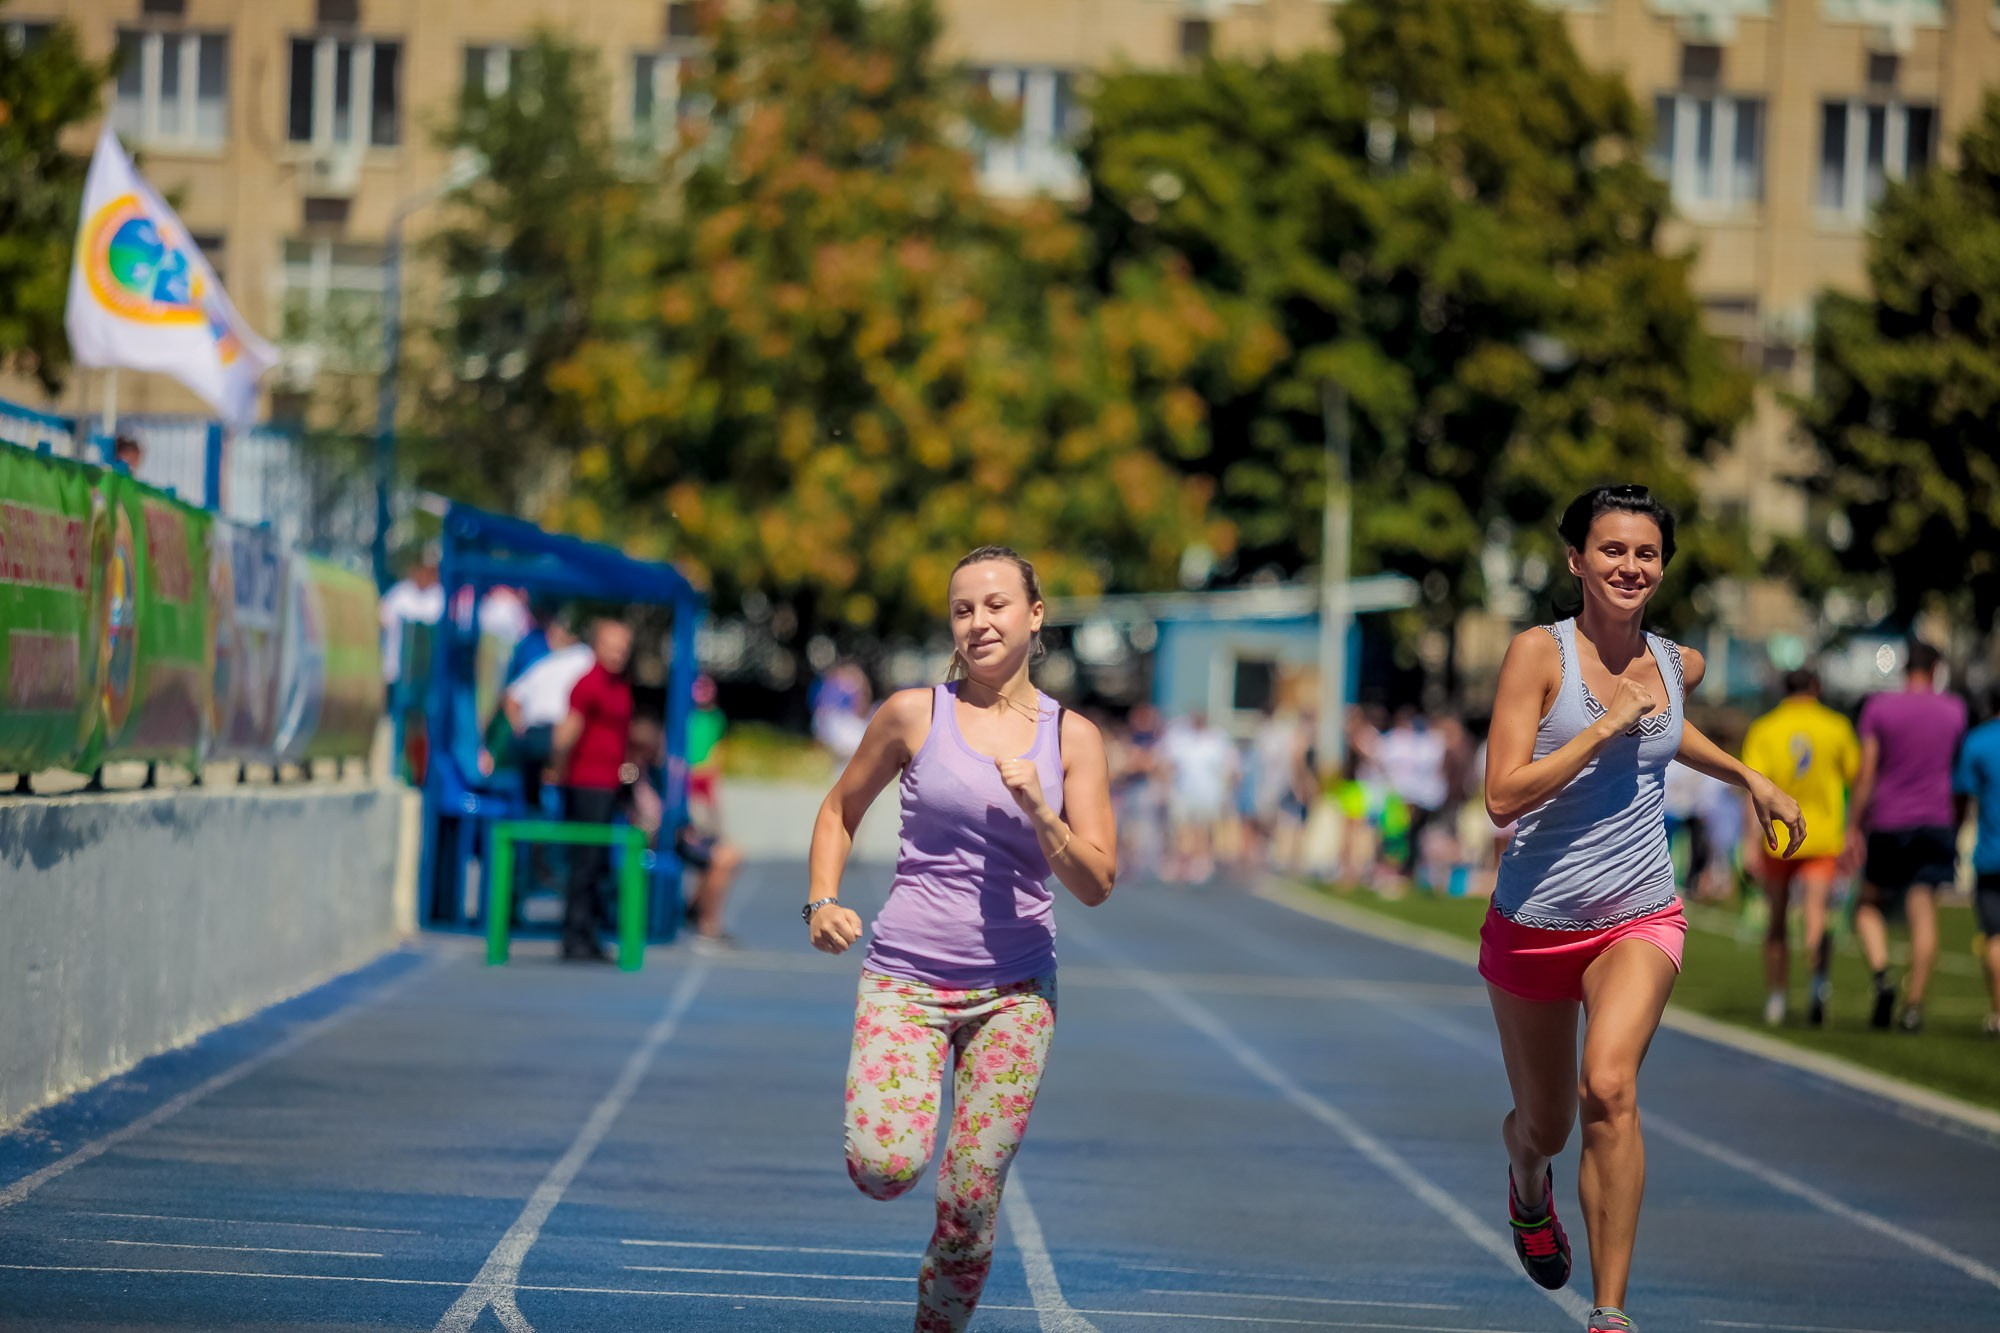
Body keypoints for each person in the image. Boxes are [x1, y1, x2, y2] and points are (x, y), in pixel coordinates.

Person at [1481, 484, 1803, 1333]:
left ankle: (1610, 1310)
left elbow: (1667, 728)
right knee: (1547, 1124)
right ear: (1576, 560)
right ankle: (1526, 1179)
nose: (1631, 566)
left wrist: (1752, 777)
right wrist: (1599, 726)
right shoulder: (1537, 655)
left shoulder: (1677, 664)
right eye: (1613, 549)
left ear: (1663, 565)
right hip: (1535, 922)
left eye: (1647, 553)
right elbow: (1501, 796)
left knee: (1610, 1084)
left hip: (1639, 913)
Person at [804, 545, 1115, 1333]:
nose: (979, 621)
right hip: (905, 978)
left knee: (970, 1201)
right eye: (963, 609)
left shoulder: (1073, 737)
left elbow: (1096, 882)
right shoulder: (915, 713)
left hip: (1015, 995)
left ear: (1035, 615)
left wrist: (1043, 814)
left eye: (996, 604)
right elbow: (839, 808)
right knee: (883, 1167)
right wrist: (821, 901)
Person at [1844, 638, 1966, 1032]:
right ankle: (1913, 1007)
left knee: (1867, 904)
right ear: (1935, 670)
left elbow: (1867, 772)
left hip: (1889, 820)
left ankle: (1882, 974)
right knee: (1923, 911)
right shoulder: (1955, 710)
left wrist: (1853, 826)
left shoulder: (1880, 707)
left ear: (1904, 668)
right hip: (1936, 820)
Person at [1741, 667, 1859, 1026]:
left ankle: (1776, 997)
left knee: (1776, 918)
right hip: (1820, 835)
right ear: (1816, 687)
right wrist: (1854, 829)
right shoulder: (1836, 726)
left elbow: (1752, 789)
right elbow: (1856, 777)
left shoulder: (1765, 728)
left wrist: (1748, 843)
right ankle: (1817, 986)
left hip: (1775, 836)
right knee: (1816, 915)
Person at [551, 619, 636, 963]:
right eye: (612, 646)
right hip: (586, 783)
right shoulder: (588, 684)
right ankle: (574, 936)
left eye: (623, 647)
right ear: (597, 646)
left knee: (598, 864)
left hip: (609, 785)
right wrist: (556, 769)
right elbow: (566, 731)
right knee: (584, 864)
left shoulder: (620, 685)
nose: (618, 653)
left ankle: (589, 933)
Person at [501, 617, 590, 815]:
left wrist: (518, 726)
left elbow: (510, 697)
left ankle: (535, 816)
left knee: (533, 795)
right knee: (558, 792)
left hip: (538, 735)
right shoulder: (582, 658)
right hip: (559, 734)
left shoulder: (544, 664)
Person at [1952, 689, 2000, 1038]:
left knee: (1995, 937)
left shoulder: (1978, 742)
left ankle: (1998, 1013)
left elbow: (1962, 796)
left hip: (1991, 854)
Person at [1161, 710, 1237, 883]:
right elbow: (1171, 764)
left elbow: (1229, 767)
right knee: (1183, 829)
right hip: (1184, 792)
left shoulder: (1217, 739)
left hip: (1209, 794)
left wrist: (1227, 792)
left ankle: (1202, 862)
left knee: (1204, 829)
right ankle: (1185, 862)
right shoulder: (1183, 739)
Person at [379, 552, 444, 708]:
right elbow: (382, 619)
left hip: (427, 676)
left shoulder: (439, 596)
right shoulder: (400, 593)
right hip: (396, 671)